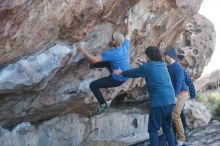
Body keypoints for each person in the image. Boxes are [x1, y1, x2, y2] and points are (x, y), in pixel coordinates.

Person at [114, 46, 176, 146]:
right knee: (167, 127)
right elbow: (151, 67)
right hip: (171, 101)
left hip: (159, 102)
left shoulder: (147, 67)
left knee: (152, 129)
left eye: (146, 55)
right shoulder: (162, 64)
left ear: (148, 55)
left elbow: (134, 73)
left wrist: (121, 72)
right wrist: (144, 63)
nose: (146, 56)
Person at [77, 10, 132, 115]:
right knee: (107, 63)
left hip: (117, 79)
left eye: (112, 39)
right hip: (124, 73)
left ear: (115, 43)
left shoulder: (113, 53)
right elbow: (129, 32)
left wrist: (82, 49)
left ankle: (102, 104)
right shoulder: (125, 45)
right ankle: (93, 66)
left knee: (93, 85)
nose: (110, 40)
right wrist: (129, 15)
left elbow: (94, 59)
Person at [164, 48, 188, 146]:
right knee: (170, 115)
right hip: (174, 94)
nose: (164, 56)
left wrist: (175, 96)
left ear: (170, 56)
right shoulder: (168, 67)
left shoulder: (177, 67)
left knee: (175, 115)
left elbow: (178, 83)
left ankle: (182, 139)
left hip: (181, 93)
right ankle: (173, 137)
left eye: (165, 55)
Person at [177, 54, 196, 136]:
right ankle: (182, 130)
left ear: (179, 61)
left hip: (181, 94)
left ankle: (184, 129)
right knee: (177, 113)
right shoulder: (170, 67)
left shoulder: (181, 70)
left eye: (177, 59)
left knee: (179, 113)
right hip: (173, 94)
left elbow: (190, 82)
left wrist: (192, 95)